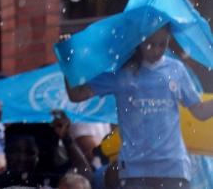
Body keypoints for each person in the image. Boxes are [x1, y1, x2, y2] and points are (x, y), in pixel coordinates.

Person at [66, 26, 213, 189]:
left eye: (163, 44)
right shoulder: (123, 74)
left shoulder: (176, 70)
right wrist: (67, 62)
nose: (157, 50)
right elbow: (77, 94)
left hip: (173, 169)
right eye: (151, 44)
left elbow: (199, 111)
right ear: (138, 42)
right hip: (134, 170)